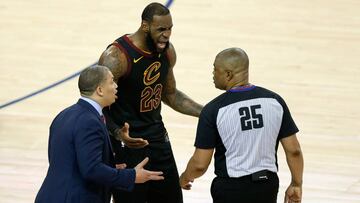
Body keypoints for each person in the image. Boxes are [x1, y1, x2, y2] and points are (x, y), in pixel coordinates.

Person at [98, 2, 203, 203]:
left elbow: (171, 95)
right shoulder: (117, 57)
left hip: (156, 138)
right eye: (161, 29)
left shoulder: (167, 52)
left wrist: (206, 111)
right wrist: (118, 133)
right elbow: (97, 106)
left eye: (170, 28)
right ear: (145, 26)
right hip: (126, 142)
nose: (167, 34)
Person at [179, 48, 304, 203]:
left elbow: (200, 164)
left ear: (228, 74)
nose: (213, 74)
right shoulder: (275, 101)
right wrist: (296, 183)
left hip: (231, 189)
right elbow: (294, 151)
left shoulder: (213, 110)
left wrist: (185, 177)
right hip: (267, 185)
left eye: (215, 69)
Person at [35, 65, 164, 203]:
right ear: (100, 90)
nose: (116, 86)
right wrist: (131, 176)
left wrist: (109, 168)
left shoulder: (64, 115)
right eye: (111, 81)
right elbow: (91, 170)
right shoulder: (90, 122)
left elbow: (67, 161)